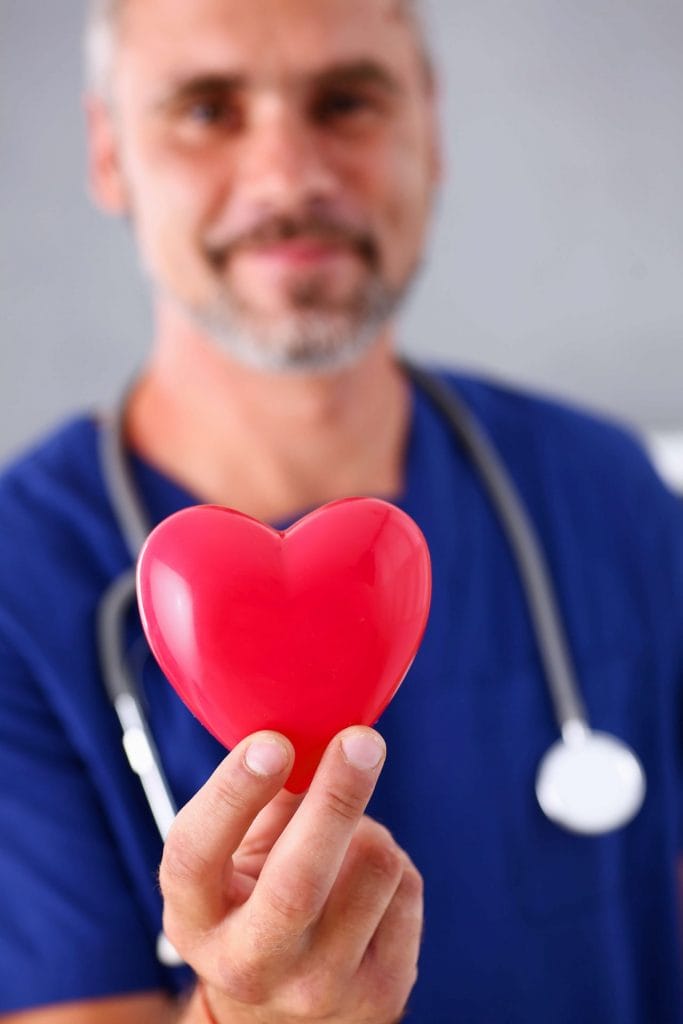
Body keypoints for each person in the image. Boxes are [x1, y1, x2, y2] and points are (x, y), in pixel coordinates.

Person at [1, 0, 682, 1021]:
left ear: (428, 130)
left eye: (347, 101)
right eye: (205, 108)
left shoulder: (609, 490)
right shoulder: (16, 583)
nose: (287, 177)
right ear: (109, 154)